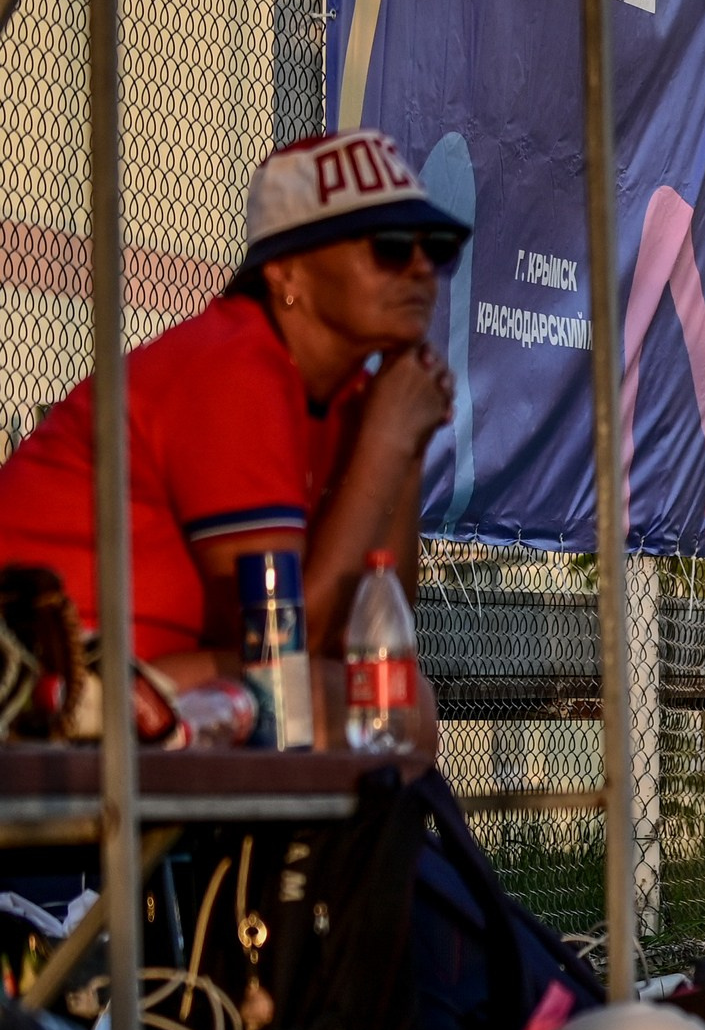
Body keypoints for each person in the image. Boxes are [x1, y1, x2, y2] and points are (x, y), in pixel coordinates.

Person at [0, 127, 461, 739]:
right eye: (391, 245)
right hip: (47, 671)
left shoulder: (348, 392)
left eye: (438, 245)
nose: (422, 267)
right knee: (372, 705)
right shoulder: (234, 367)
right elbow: (290, 644)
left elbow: (378, 624)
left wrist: (405, 452)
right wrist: (388, 443)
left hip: (144, 674)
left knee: (387, 695)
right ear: (287, 272)